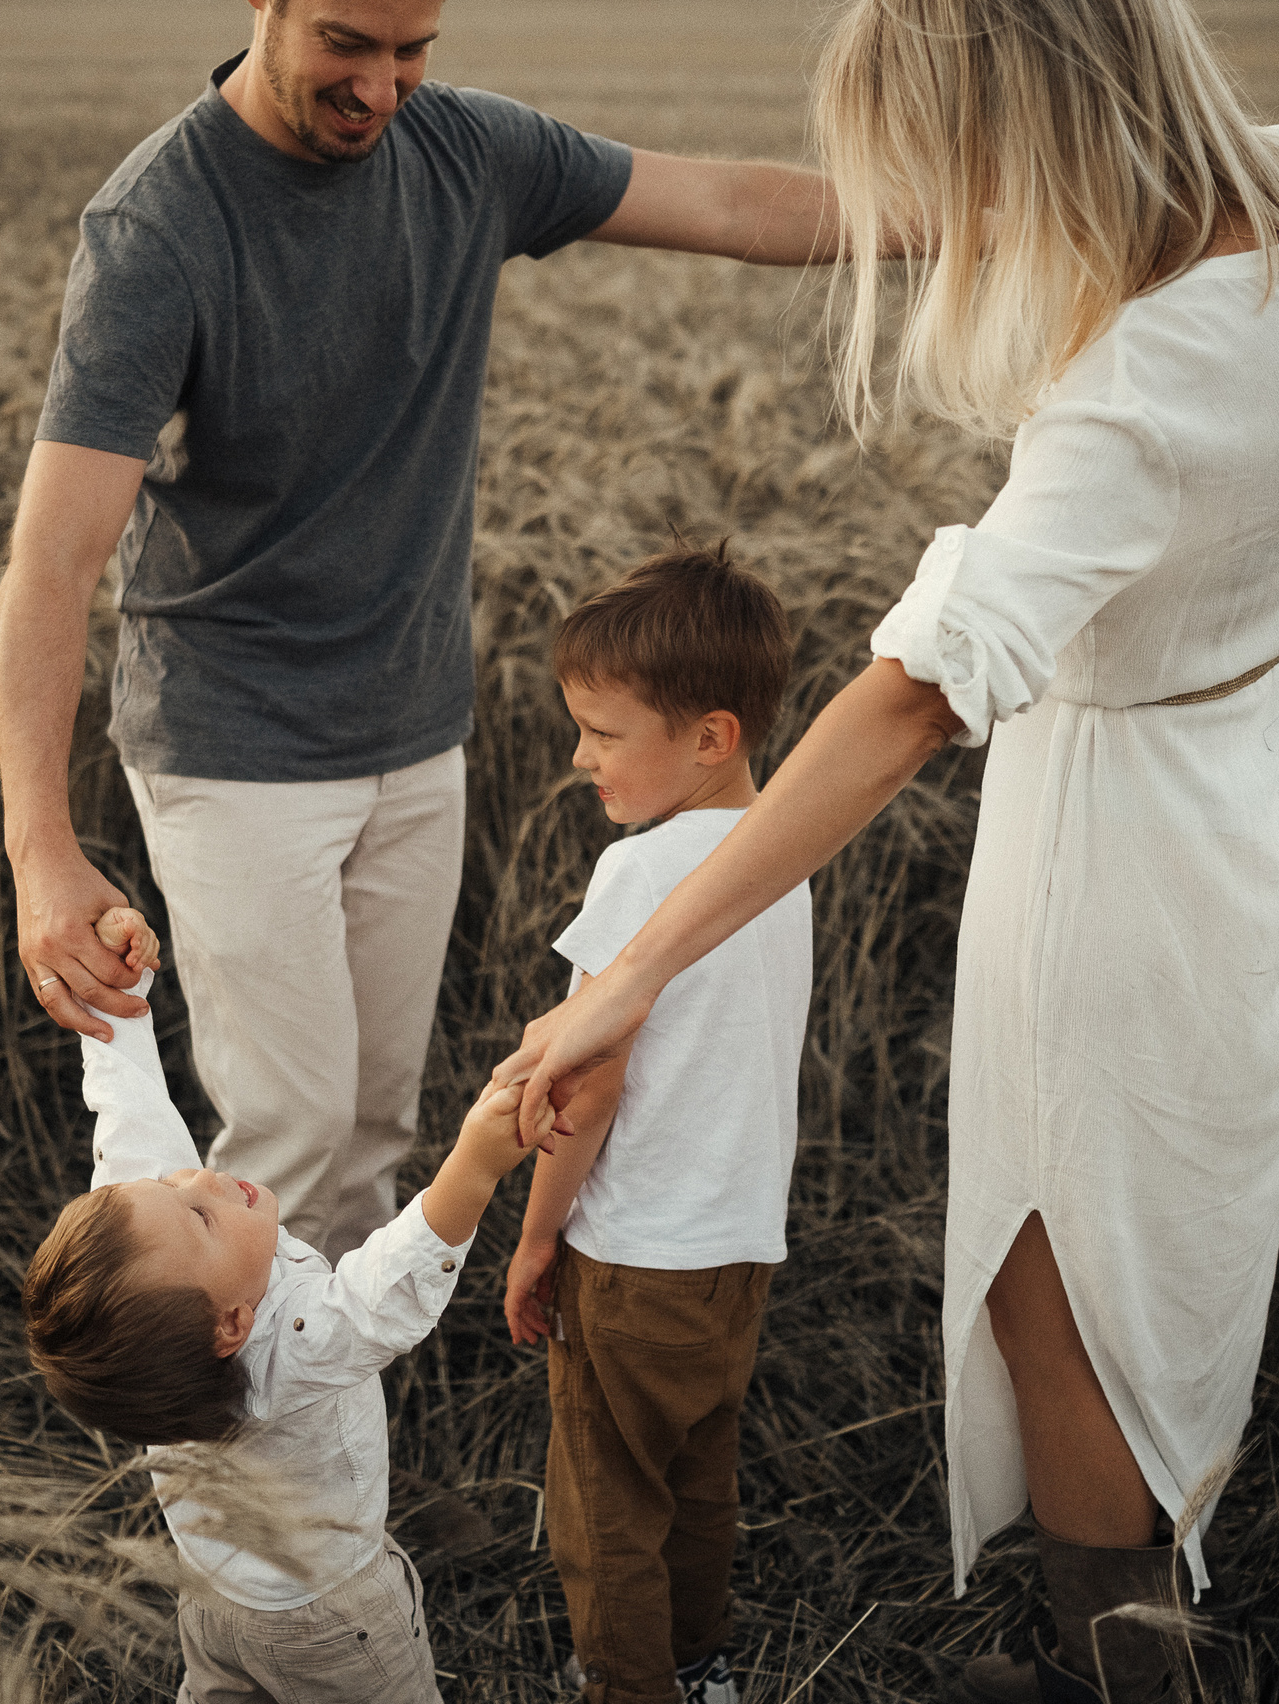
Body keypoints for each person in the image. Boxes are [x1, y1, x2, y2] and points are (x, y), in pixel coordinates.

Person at [491, 2, 1279, 1700]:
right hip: (1257, 782)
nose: (940, 212)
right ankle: (1135, 1629)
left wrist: (628, 974)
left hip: (1120, 849)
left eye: (951, 159)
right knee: (1168, 1256)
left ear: (1030, 124)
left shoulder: (1136, 396)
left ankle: (1127, 1674)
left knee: (1051, 1284)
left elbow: (908, 703)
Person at [0, 0, 841, 1264]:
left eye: (413, 51)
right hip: (233, 748)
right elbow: (54, 561)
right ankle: (223, 1455)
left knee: (378, 1126)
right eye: (348, 44)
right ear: (267, 10)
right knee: (288, 1135)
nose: (384, 88)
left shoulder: (467, 153)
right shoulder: (160, 226)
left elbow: (729, 207)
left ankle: (338, 1423)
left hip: (413, 734)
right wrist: (40, 852)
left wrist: (1013, 221)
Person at [21, 905, 539, 1704]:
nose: (195, 1176)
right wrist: (474, 1163)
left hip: (212, 1591)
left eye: (169, 1185)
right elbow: (385, 1289)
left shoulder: (157, 1306)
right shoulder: (288, 1348)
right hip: (330, 1618)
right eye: (197, 1214)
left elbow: (130, 1119)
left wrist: (121, 996)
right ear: (232, 1324)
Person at [497, 546, 809, 1704]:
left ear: (709, 737)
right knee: (697, 1482)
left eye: (603, 732)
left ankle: (630, 1688)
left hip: (631, 1259)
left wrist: (536, 1242)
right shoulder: (780, 858)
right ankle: (701, 1667)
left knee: (605, 1507)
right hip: (737, 1250)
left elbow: (588, 1086)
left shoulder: (641, 878)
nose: (580, 756)